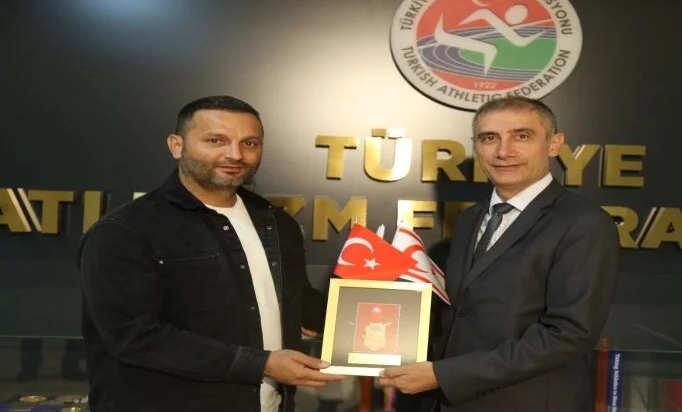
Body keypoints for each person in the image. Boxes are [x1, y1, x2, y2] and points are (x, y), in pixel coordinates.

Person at [78, 95, 342, 411]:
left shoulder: (277, 222)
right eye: (216, 140)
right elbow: (134, 337)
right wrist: (261, 364)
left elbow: (296, 299)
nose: (235, 154)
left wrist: (371, 315)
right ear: (176, 146)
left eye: (249, 143)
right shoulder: (125, 230)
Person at [379, 96, 620, 411]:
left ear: (554, 144)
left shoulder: (584, 223)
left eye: (522, 136)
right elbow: (460, 315)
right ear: (476, 146)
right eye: (489, 138)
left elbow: (569, 334)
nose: (504, 151)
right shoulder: (469, 219)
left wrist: (447, 375)